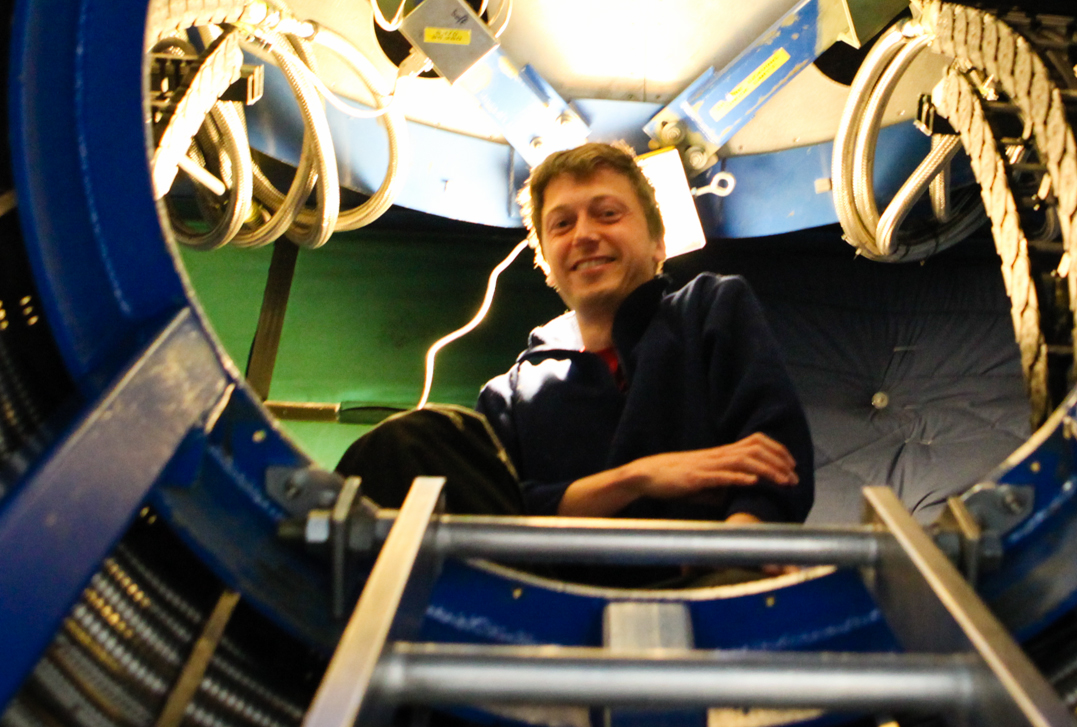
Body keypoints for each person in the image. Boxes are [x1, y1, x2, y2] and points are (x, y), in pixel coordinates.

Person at [337, 143, 812, 528]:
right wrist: (638, 479)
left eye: (607, 214)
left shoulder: (710, 309)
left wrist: (740, 555)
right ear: (545, 259)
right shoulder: (512, 394)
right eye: (562, 224)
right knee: (407, 443)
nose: (584, 234)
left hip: (702, 586)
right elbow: (504, 510)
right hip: (541, 601)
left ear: (658, 242)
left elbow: (772, 452)